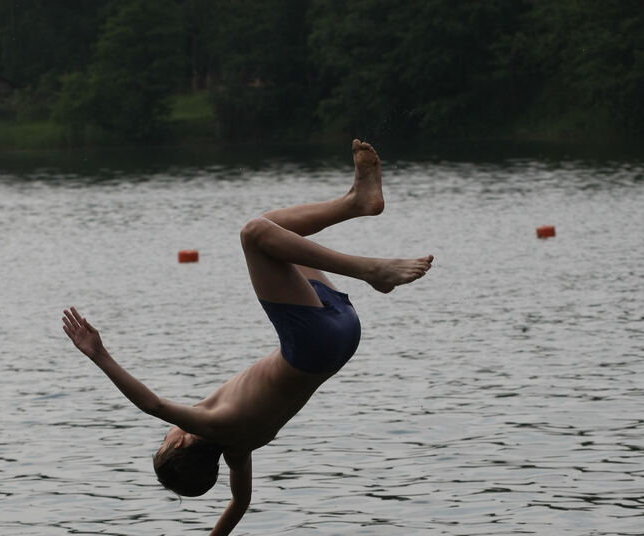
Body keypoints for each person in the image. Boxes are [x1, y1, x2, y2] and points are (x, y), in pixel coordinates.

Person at [61, 139, 432, 536]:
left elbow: (240, 503)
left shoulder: (239, 447)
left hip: (340, 338)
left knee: (275, 229)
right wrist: (98, 354)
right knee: (255, 233)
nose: (166, 434)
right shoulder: (208, 424)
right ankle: (371, 271)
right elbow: (151, 403)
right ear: (180, 445)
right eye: (163, 441)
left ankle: (358, 201)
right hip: (311, 343)